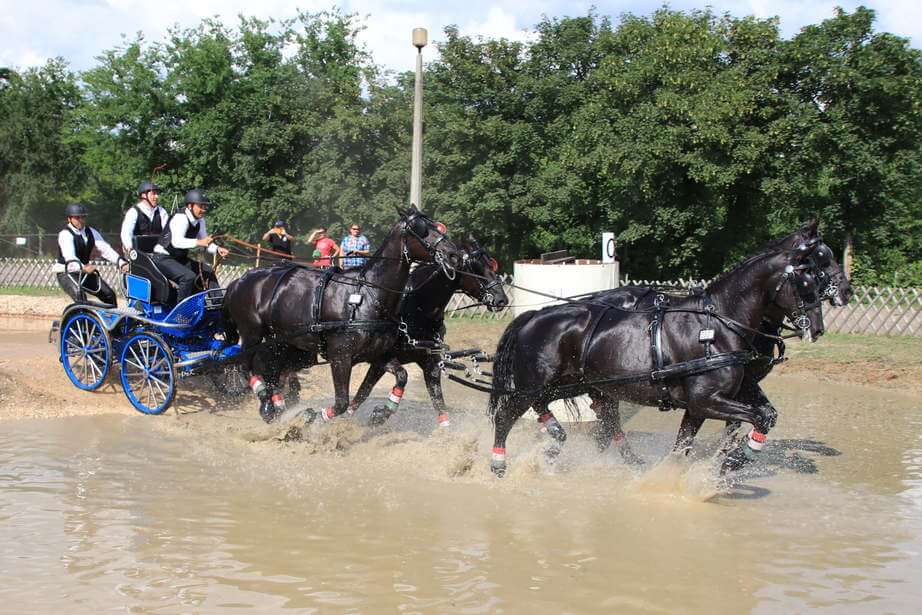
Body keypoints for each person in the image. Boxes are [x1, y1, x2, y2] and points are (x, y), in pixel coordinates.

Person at [153, 189, 230, 302]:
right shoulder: (181, 218)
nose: (203, 210)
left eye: (205, 207)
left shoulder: (200, 221)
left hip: (179, 259)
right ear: (190, 206)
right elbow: (177, 242)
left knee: (208, 271)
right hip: (162, 258)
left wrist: (217, 249)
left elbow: (205, 242)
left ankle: (218, 305)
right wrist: (199, 242)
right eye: (201, 206)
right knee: (188, 277)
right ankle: (181, 310)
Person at [53, 203, 128, 306]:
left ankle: (111, 316)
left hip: (84, 271)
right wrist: (83, 267)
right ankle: (81, 316)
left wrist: (121, 263)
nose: (81, 220)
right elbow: (70, 257)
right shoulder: (65, 234)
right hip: (67, 272)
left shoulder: (91, 232)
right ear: (69, 219)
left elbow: (105, 250)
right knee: (80, 296)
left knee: (109, 295)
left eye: (83, 217)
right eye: (77, 218)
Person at [120, 181, 168, 253]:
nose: (157, 196)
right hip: (138, 253)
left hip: (158, 253)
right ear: (144, 195)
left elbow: (167, 232)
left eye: (157, 194)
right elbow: (126, 233)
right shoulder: (133, 212)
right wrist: (128, 246)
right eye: (153, 194)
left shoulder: (162, 211)